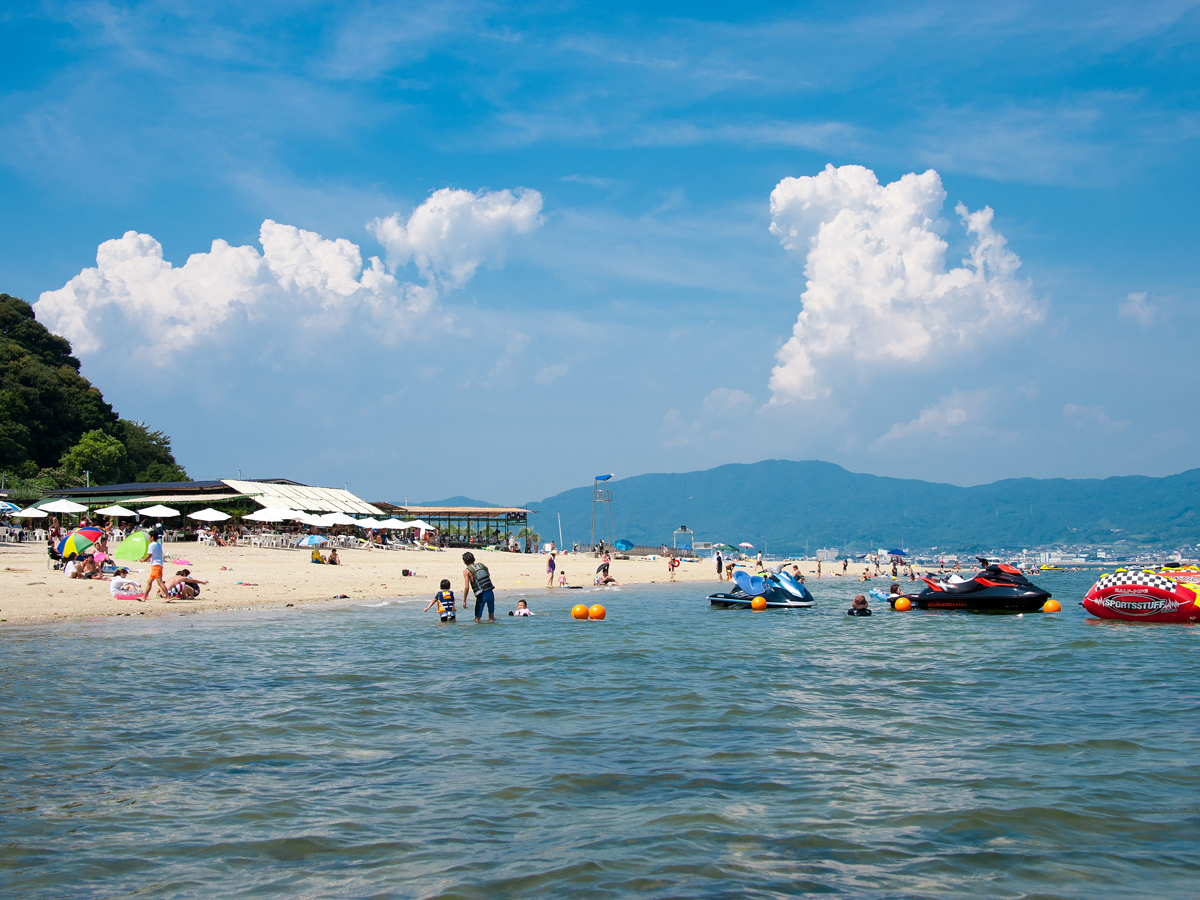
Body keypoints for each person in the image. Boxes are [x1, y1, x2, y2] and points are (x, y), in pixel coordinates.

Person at [462, 551, 496, 623]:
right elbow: (488, 575)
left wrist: (464, 600)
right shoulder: (482, 565)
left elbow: (467, 587)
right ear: (474, 559)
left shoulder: (467, 571)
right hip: (490, 592)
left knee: (477, 619)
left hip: (481, 595)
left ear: (464, 562)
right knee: (492, 618)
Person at [141, 532, 167, 600]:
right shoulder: (158, 544)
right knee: (149, 582)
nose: (149, 538)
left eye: (149, 536)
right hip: (157, 565)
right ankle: (144, 597)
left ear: (152, 537)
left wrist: (143, 560)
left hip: (156, 565)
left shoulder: (152, 545)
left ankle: (168, 597)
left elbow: (149, 555)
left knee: (160, 582)